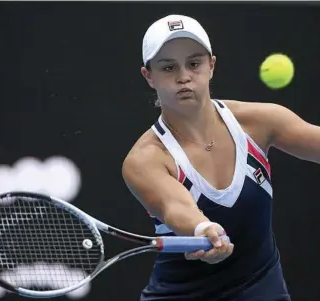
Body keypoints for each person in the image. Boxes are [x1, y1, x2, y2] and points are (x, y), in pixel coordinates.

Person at [122, 14, 320, 301]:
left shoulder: (261, 121)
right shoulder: (145, 159)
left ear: (211, 65)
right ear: (148, 76)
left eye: (194, 63)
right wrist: (202, 228)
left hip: (261, 288)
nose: (183, 76)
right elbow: (175, 207)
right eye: (168, 67)